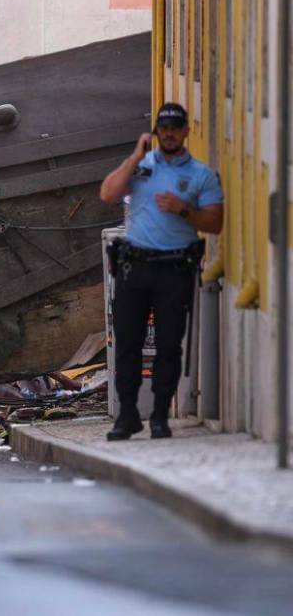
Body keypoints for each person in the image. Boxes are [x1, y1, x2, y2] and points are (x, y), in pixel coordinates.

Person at [98, 102, 223, 441]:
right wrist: (134, 157)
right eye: (163, 129)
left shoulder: (201, 175)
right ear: (155, 133)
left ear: (185, 132)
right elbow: (107, 193)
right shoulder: (141, 167)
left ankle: (159, 415)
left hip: (173, 270)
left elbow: (215, 222)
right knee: (128, 344)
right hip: (134, 268)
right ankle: (127, 416)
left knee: (168, 345)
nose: (169, 134)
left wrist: (184, 210)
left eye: (175, 128)